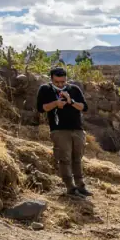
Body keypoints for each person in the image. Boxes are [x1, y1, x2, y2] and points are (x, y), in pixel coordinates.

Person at [36, 67, 91, 199]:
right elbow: (41, 108)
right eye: (57, 82)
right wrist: (55, 103)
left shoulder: (74, 89)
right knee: (65, 159)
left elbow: (84, 107)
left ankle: (80, 187)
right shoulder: (45, 89)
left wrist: (70, 101)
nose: (60, 84)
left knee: (77, 159)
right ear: (51, 79)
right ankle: (70, 188)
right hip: (59, 130)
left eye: (63, 82)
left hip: (77, 129)